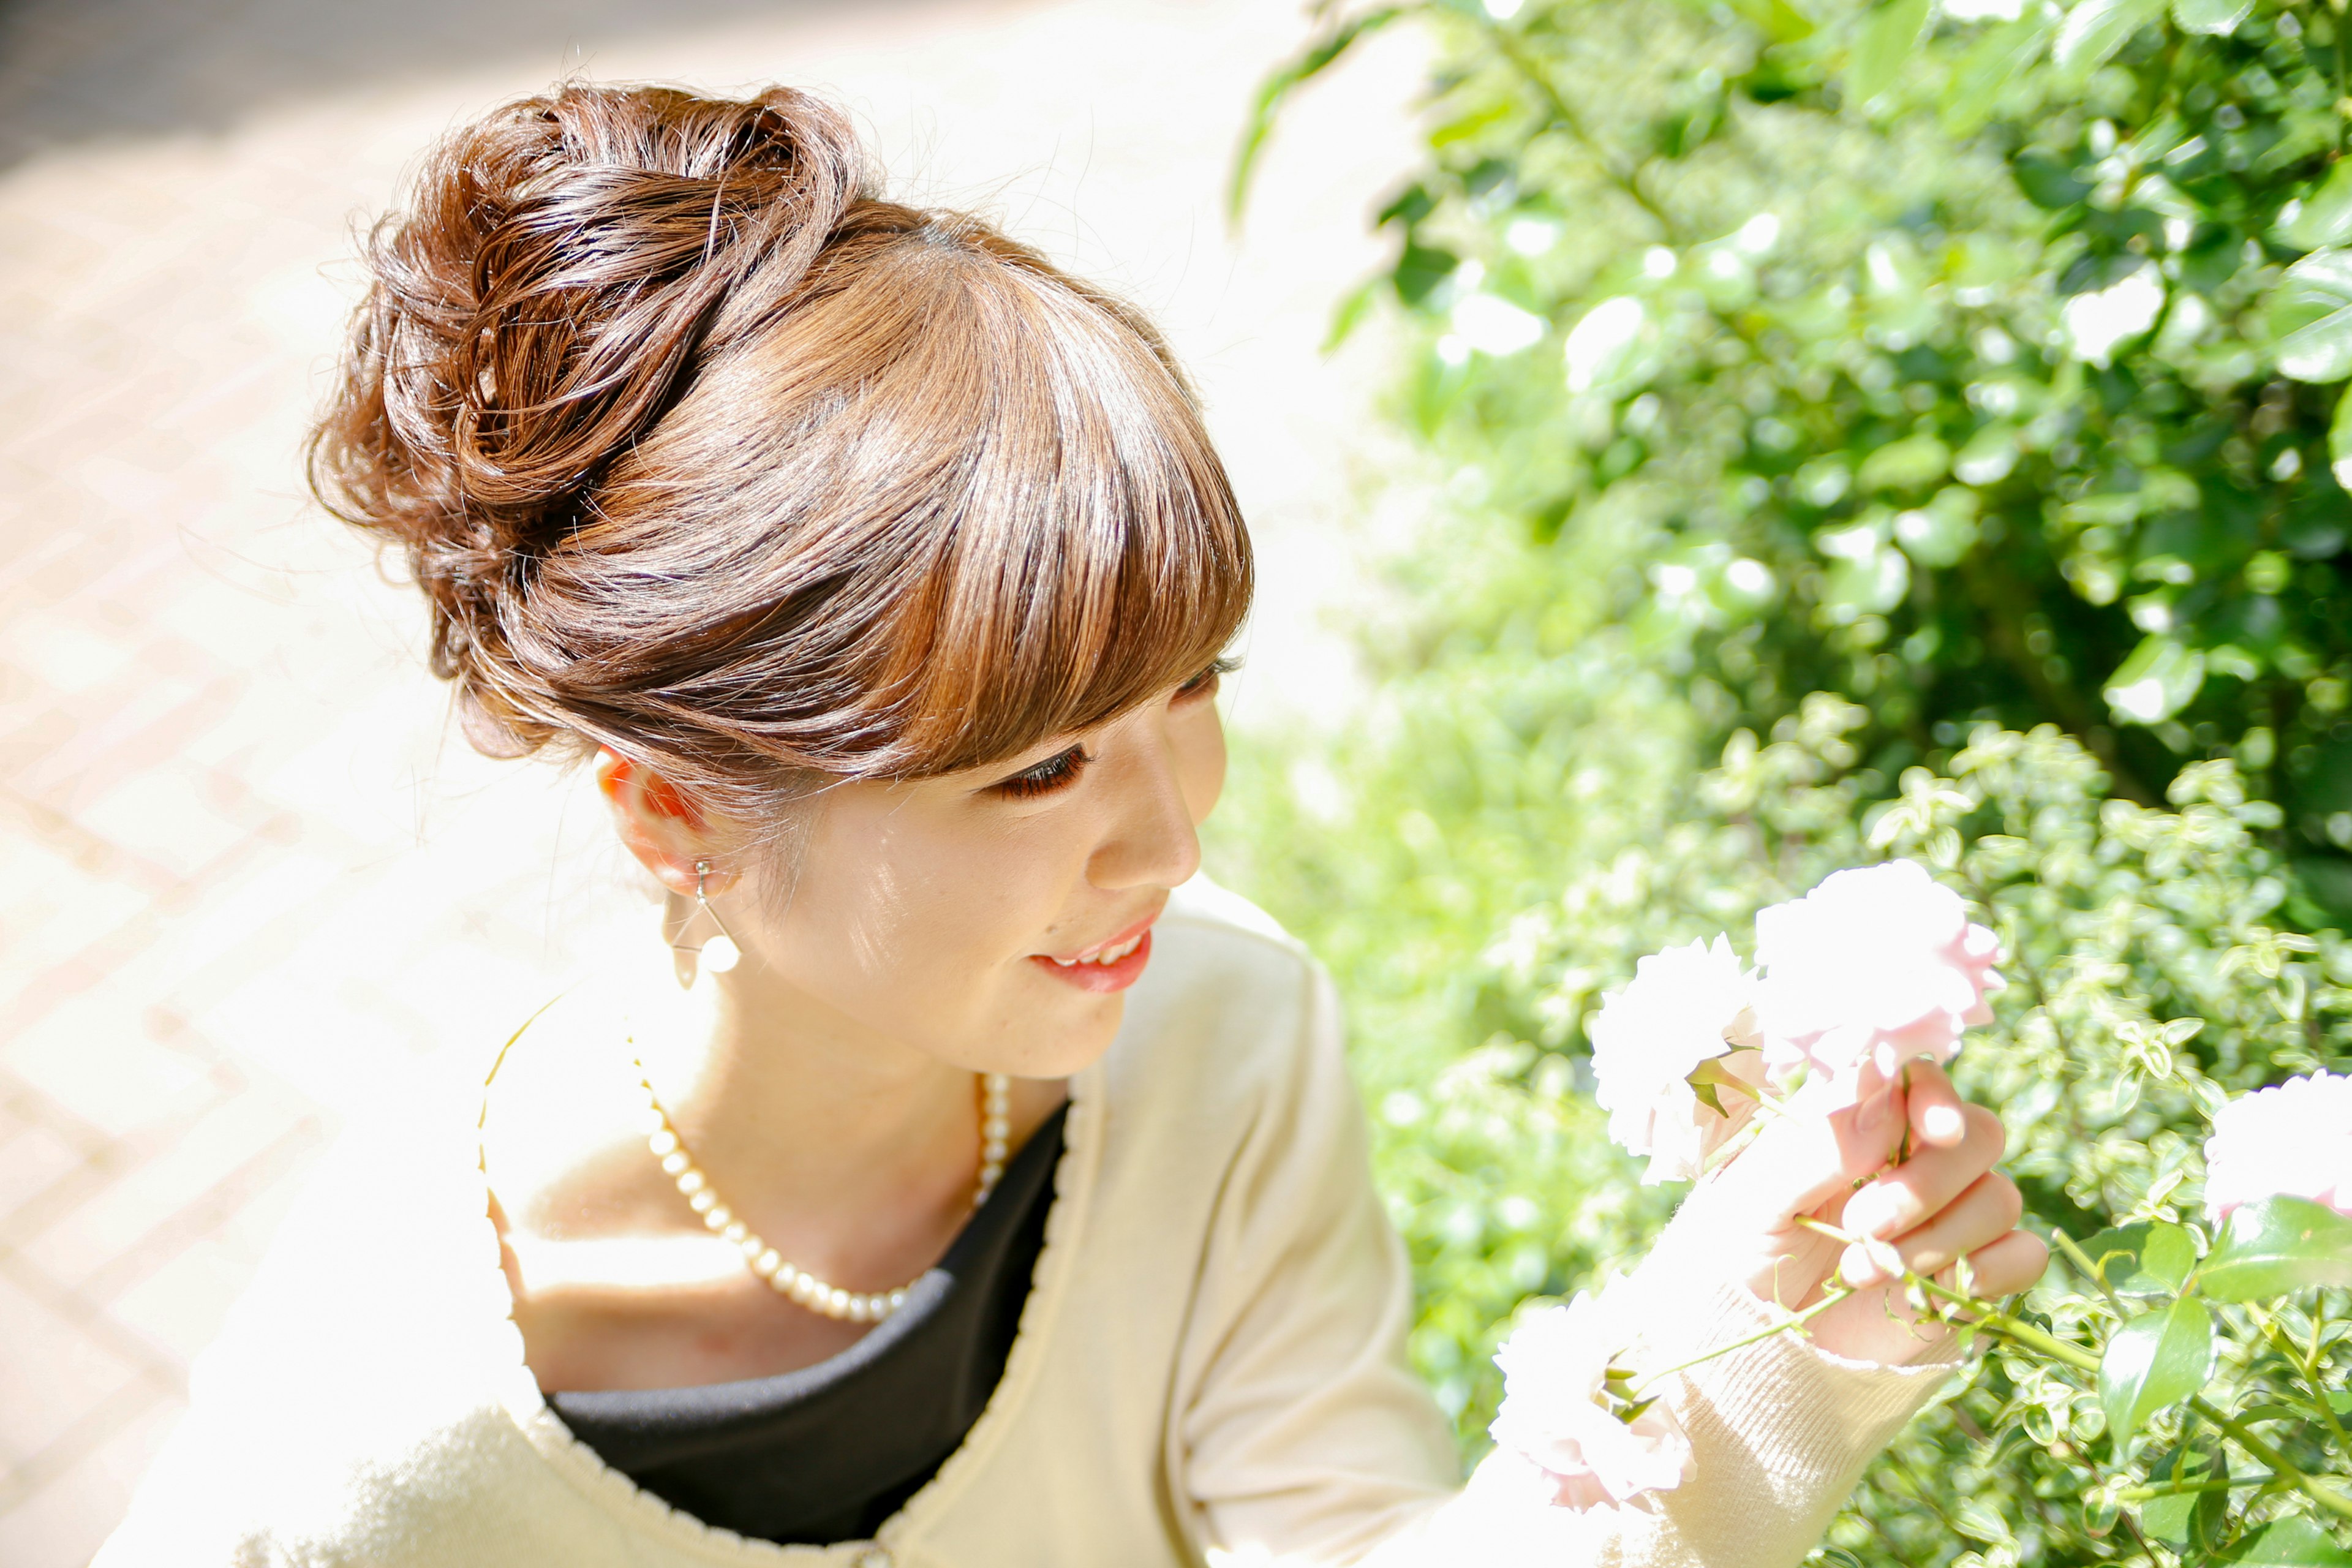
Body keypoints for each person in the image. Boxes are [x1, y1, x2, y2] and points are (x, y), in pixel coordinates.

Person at [96, 82, 2045, 1568]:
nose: (1172, 842)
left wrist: (1763, 1346)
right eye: (1034, 768)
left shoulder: (1217, 1034)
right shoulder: (369, 1442)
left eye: (1193, 695)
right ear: (673, 810)